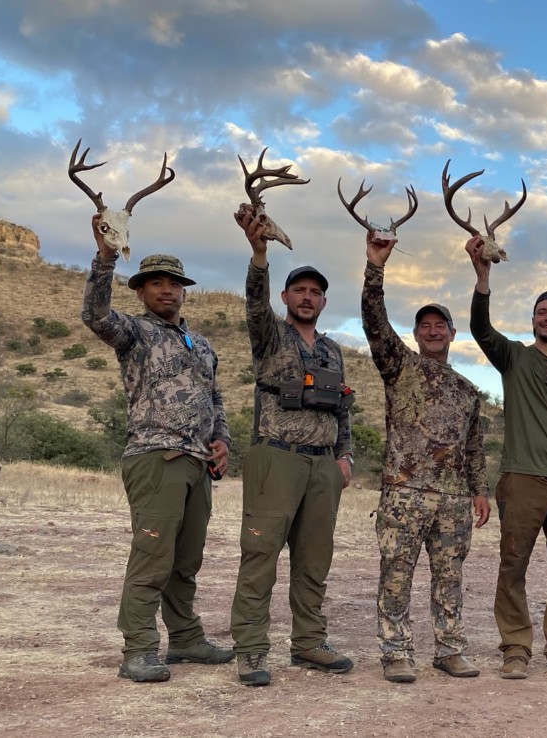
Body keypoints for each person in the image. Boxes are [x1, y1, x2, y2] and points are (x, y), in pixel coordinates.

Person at [81, 219, 233, 683]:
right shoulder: (134, 333)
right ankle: (139, 650)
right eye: (156, 284)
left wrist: (222, 441)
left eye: (174, 284)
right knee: (152, 557)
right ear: (142, 291)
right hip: (154, 456)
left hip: (197, 463)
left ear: (185, 291)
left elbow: (216, 399)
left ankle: (186, 639)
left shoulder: (200, 344)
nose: (167, 291)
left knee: (186, 561)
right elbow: (94, 315)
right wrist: (106, 257)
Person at [229, 207, 356, 687]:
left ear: (324, 301)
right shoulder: (270, 335)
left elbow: (342, 406)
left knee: (313, 558)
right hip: (275, 457)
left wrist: (345, 456)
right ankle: (251, 650)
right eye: (299, 290)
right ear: (285, 296)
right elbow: (254, 302)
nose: (308, 297)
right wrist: (259, 252)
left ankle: (308, 644)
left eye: (316, 291)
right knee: (260, 555)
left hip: (324, 466)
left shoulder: (332, 350)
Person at [465, 235, 547, 680]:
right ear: (533, 319)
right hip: (521, 479)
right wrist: (483, 277)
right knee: (513, 565)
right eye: (542, 312)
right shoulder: (514, 358)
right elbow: (481, 329)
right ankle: (515, 648)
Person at [361, 228, 491, 684]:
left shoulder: (468, 390)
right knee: (395, 576)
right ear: (415, 333)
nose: (433, 330)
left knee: (449, 579)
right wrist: (375, 268)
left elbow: (474, 445)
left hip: (453, 501)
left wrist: (480, 491)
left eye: (441, 325)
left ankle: (450, 650)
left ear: (453, 333)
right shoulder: (399, 367)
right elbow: (374, 322)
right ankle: (396, 651)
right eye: (425, 325)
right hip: (404, 494)